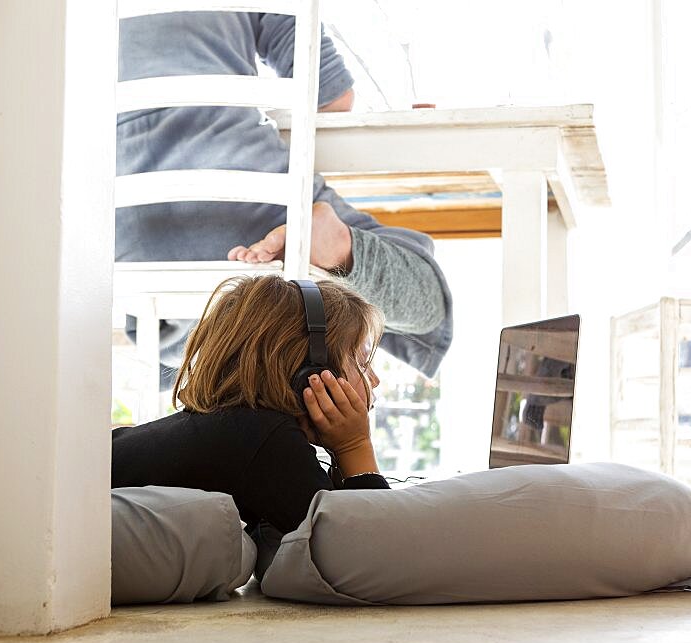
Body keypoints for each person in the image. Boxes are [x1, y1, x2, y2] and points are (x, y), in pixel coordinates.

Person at [117, 11, 453, 385]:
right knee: (426, 298)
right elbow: (334, 97)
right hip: (237, 207)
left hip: (129, 248)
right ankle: (338, 252)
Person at [112, 275, 390, 537]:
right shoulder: (263, 437)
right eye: (364, 363)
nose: (375, 381)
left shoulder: (235, 428)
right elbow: (364, 549)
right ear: (309, 374)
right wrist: (354, 446)